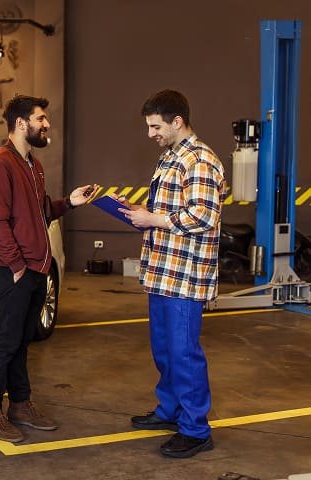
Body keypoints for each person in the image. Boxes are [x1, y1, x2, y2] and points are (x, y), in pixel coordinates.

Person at [0, 94, 97, 442]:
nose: (47, 125)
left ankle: (20, 403)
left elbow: (40, 213)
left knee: (22, 341)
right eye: (40, 119)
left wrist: (69, 202)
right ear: (20, 123)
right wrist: (16, 265)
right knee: (6, 342)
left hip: (35, 270)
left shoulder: (33, 165)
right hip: (14, 271)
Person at [118, 90, 226, 458]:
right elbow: (166, 210)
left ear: (177, 121)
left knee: (184, 354)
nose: (150, 133)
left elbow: (202, 216)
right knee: (165, 351)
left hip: (184, 276)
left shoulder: (200, 160)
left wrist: (153, 218)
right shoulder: (170, 158)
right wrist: (136, 211)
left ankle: (195, 430)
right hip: (162, 272)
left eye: (155, 126)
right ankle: (170, 411)